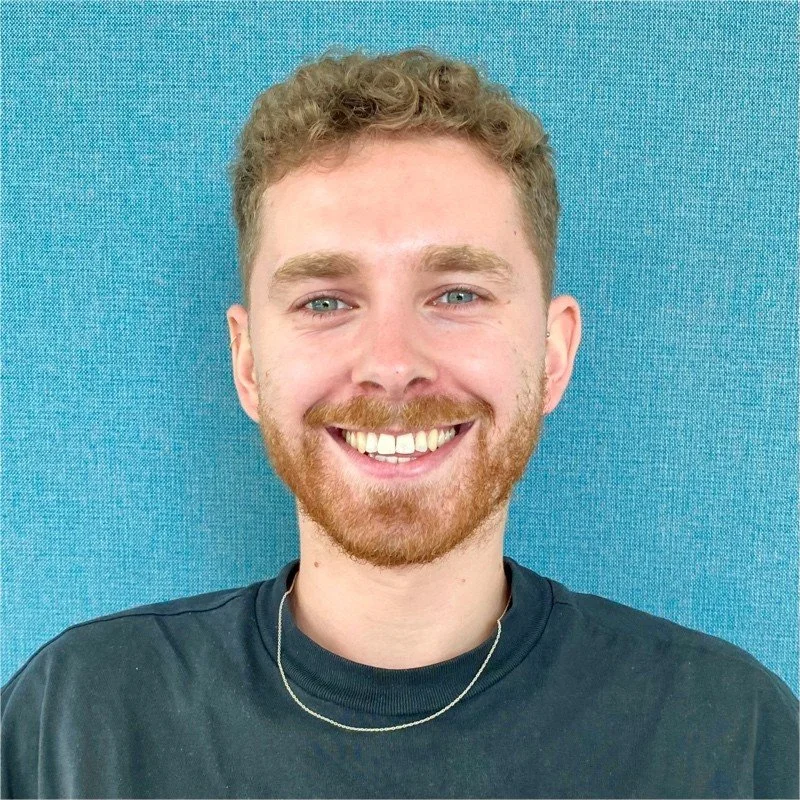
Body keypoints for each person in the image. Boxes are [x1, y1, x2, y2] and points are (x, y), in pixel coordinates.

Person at [2, 46, 797, 799]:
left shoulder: (729, 738)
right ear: (247, 364)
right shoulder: (75, 722)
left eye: (457, 294)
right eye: (325, 301)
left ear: (553, 354)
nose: (391, 364)